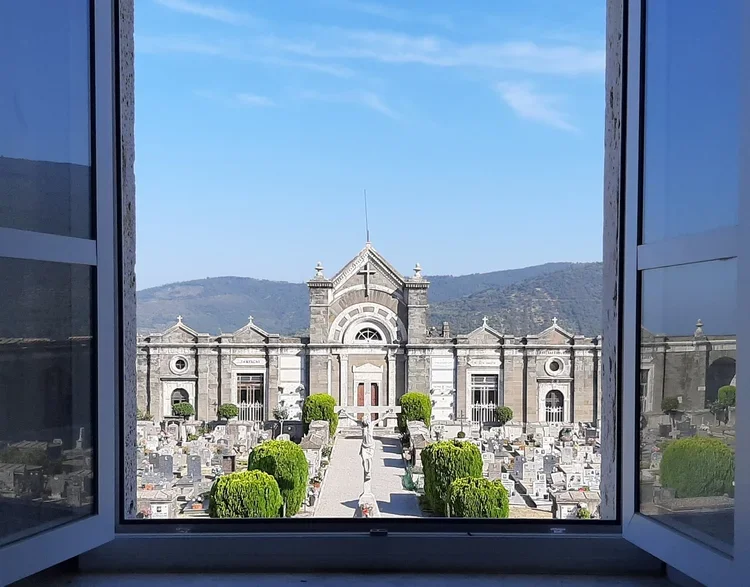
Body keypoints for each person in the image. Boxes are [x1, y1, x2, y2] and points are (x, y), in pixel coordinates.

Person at [338, 408, 394, 491]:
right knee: (364, 460)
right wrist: (346, 414)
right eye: (364, 420)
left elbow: (381, 419)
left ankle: (368, 472)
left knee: (369, 460)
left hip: (371, 446)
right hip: (364, 446)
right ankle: (366, 472)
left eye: (366, 420)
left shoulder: (372, 424)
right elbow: (352, 418)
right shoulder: (361, 425)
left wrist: (388, 413)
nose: (366, 421)